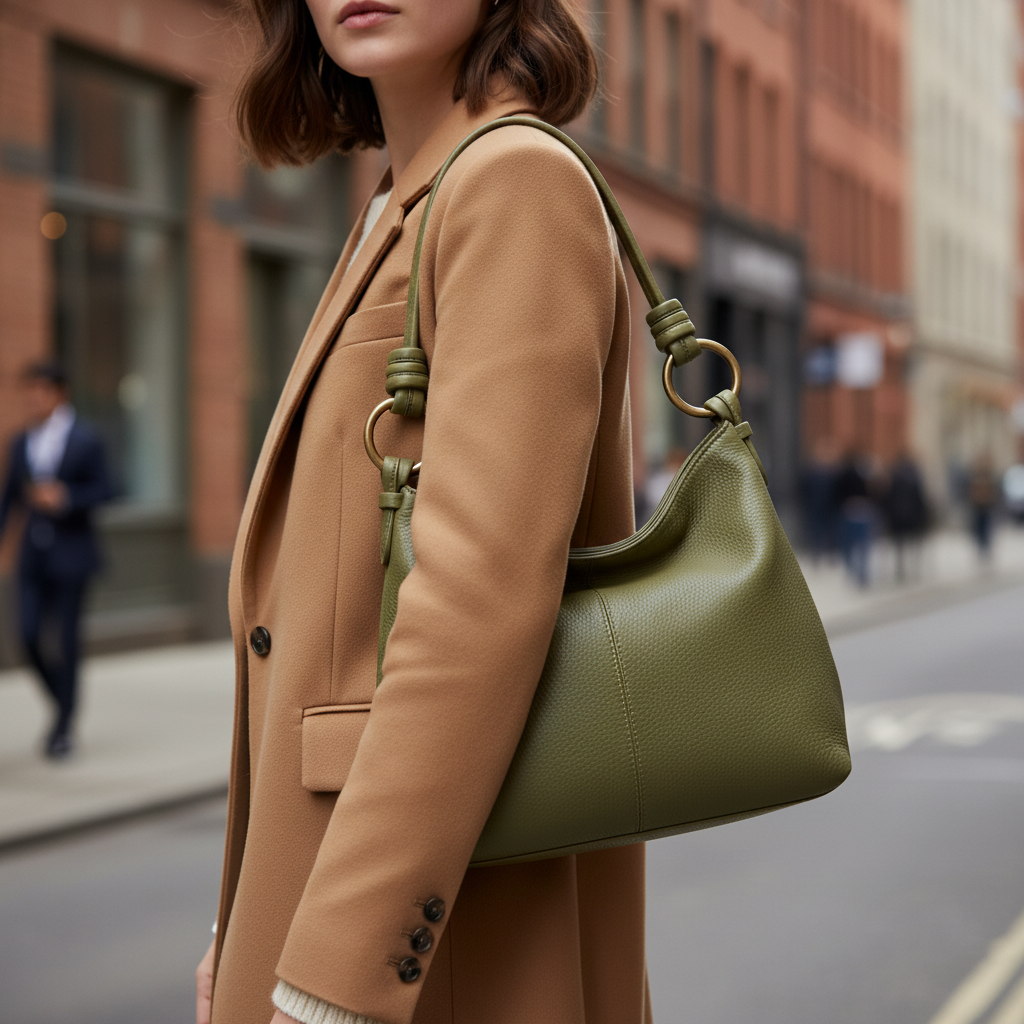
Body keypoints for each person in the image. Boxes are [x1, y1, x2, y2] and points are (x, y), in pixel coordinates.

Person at [196, 2, 648, 1024]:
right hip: (325, 893)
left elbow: (476, 603)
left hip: (427, 943)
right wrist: (240, 924)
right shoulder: (403, 199)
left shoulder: (511, 181)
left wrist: (332, 983)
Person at [0, 361, 112, 758]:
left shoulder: (86, 438)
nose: (32, 399)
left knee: (65, 643)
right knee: (26, 637)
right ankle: (61, 705)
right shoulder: (20, 442)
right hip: (32, 556)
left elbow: (109, 489)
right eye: (27, 392)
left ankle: (63, 726)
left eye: (40, 391)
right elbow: (10, 499)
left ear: (59, 394)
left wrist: (67, 498)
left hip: (73, 556)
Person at [885, 452, 927, 583]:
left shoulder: (895, 477)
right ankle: (911, 566)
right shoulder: (914, 477)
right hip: (910, 514)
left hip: (898, 514)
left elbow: (889, 497)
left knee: (901, 544)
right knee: (910, 542)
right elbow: (919, 498)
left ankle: (902, 568)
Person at [967, 453, 998, 561]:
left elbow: (993, 490)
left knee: (987, 528)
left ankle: (986, 548)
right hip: (977, 506)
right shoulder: (974, 475)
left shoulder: (988, 474)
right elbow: (970, 490)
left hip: (986, 505)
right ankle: (980, 548)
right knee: (978, 529)